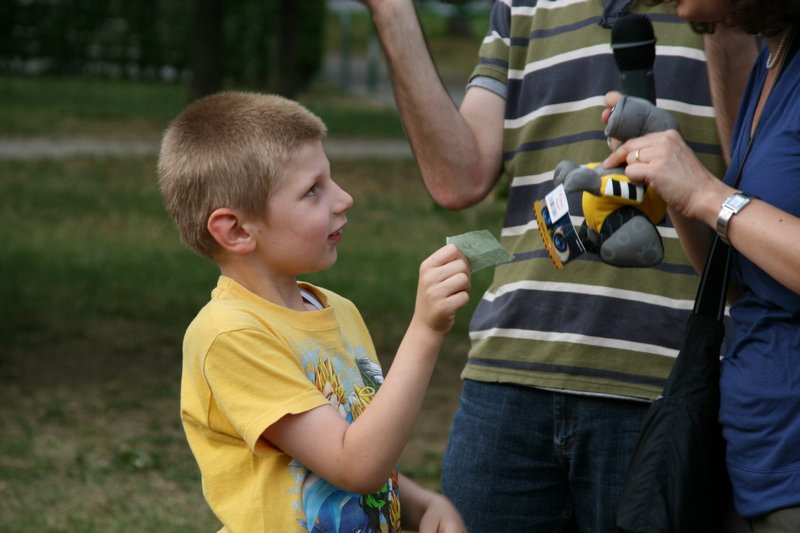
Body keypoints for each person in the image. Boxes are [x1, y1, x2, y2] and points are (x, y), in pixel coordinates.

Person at [359, 0, 758, 530]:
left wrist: (723, 29)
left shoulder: (721, 6)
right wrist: (392, 12)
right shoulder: (522, 5)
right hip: (508, 373)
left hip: (667, 378)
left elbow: (758, 172)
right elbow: (456, 179)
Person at [157, 91, 471, 532]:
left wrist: (419, 505)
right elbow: (354, 463)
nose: (344, 198)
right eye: (312, 191)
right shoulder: (228, 336)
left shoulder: (337, 310)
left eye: (331, 179)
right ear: (236, 230)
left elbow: (342, 446)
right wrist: (425, 330)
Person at [603, 0, 800, 529]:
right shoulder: (773, 61)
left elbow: (727, 208)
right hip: (753, 459)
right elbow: (745, 280)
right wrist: (676, 184)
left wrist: (710, 194)